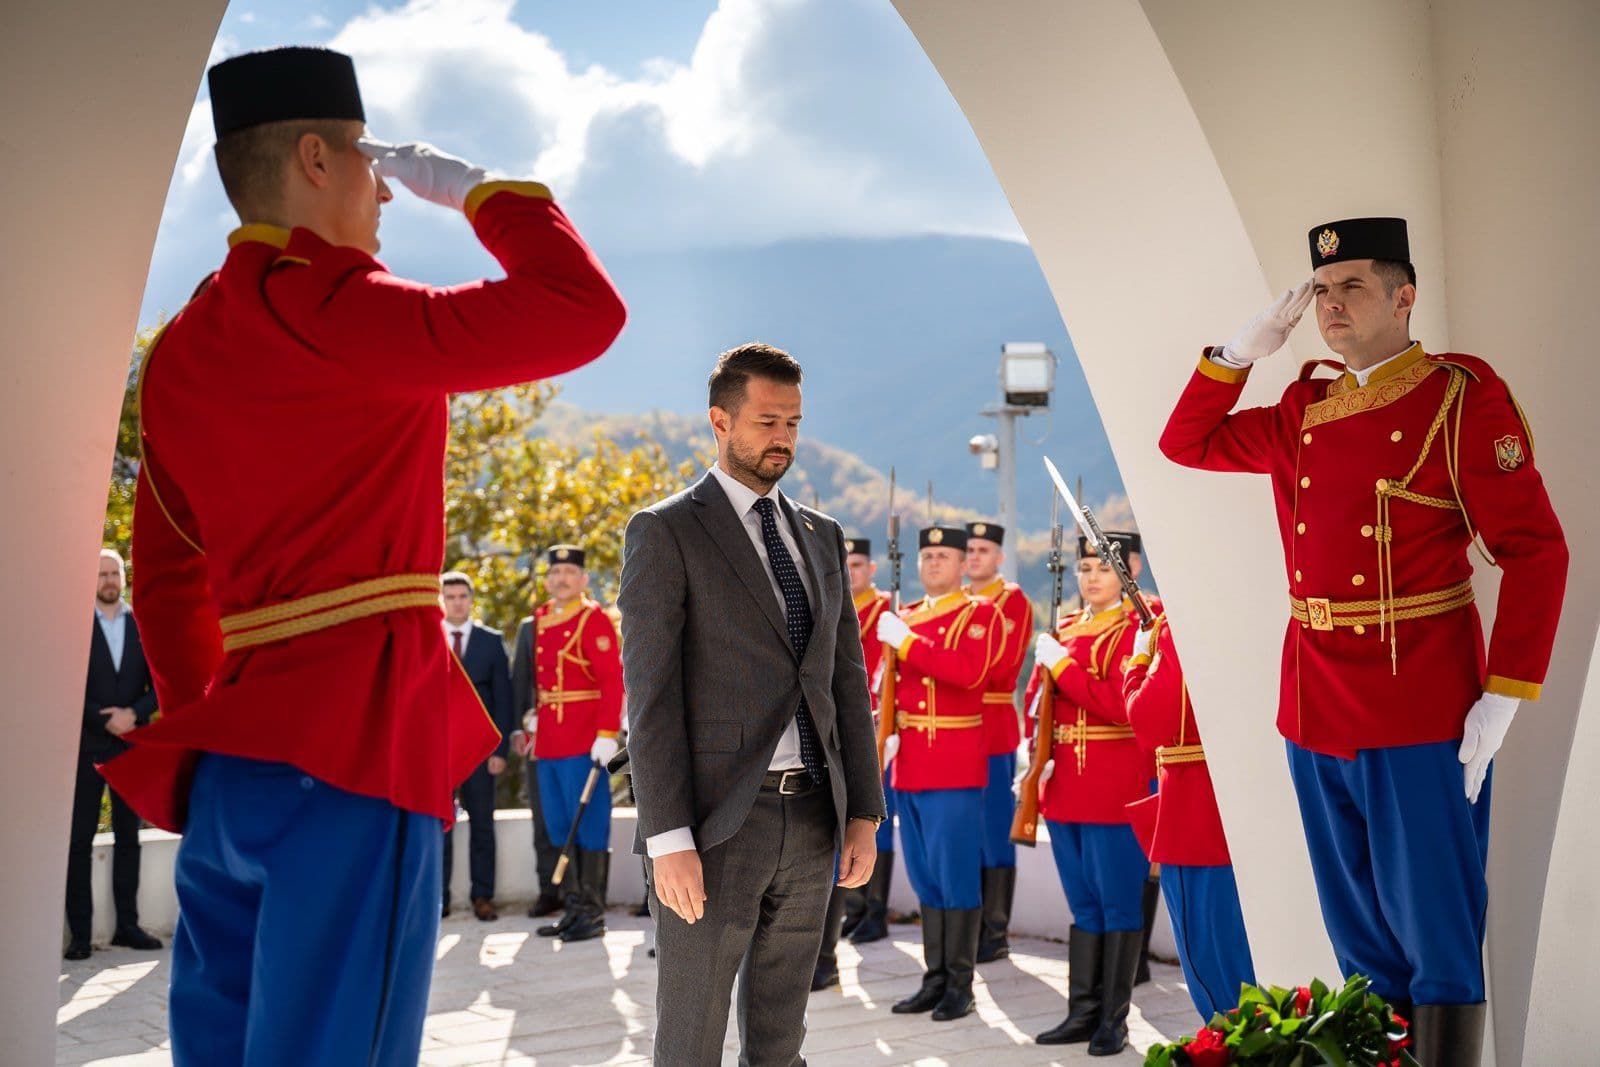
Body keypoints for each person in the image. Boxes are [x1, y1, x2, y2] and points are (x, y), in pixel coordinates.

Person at [101, 46, 624, 1065]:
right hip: (357, 747)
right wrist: (480, 191)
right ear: (314, 159)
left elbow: (164, 581)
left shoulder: (180, 348)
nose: (385, 189)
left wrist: (224, 731)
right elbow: (582, 309)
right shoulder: (347, 308)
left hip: (230, 768)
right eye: (368, 160)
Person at [1159, 216, 1567, 1063]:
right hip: (1313, 699)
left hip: (1417, 697)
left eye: (1351, 286)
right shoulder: (1304, 405)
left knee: (1437, 930)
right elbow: (1185, 443)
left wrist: (1505, 691)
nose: (1331, 305)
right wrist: (1237, 353)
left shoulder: (1458, 397)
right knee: (1358, 934)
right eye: (1320, 291)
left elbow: (1535, 550)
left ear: (1404, 296)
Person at [619, 342, 884, 1065]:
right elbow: (650, 699)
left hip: (814, 820)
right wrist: (667, 837)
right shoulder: (666, 530)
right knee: (691, 1040)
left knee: (781, 1041)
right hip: (713, 829)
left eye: (793, 423)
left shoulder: (822, 536)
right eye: (767, 421)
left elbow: (847, 682)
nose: (783, 438)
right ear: (720, 421)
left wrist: (863, 811)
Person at [1027, 533, 1154, 1056]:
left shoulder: (1141, 626)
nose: (1092, 577)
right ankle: (1081, 1011)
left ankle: (1113, 1020)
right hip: (1064, 788)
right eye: (1084, 568)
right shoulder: (1065, 627)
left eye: (1103, 567)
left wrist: (1062, 666)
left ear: (1129, 571)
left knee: (1118, 905)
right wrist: (1033, 758)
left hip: (1113, 787)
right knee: (1083, 906)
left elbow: (1121, 705)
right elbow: (1038, 703)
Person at [875, 525, 1001, 1023]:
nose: (933, 563)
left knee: (956, 877)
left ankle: (960, 985)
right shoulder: (905, 617)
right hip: (909, 765)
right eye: (927, 555)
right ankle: (935, 978)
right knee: (925, 878)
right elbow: (889, 686)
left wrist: (907, 643)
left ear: (962, 565)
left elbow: (968, 673)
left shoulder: (980, 614)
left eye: (944, 556)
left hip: (952, 764)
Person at [1122, 613, 1254, 1023]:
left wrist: (1138, 663)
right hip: (1240, 801)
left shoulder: (1180, 624)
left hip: (1195, 808)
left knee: (1213, 965)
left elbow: (1148, 719)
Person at [517, 545, 623, 943]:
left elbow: (611, 680)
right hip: (549, 739)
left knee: (589, 823)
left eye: (569, 572)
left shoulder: (592, 619)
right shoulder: (542, 618)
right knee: (560, 823)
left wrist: (607, 734)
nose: (561, 578)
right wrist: (533, 717)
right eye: (555, 572)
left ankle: (591, 913)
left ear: (583, 579)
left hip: (583, 738)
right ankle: (573, 907)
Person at [65, 549, 162, 960]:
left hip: (132, 745)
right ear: (92, 579)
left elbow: (159, 683)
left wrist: (134, 714)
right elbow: (67, 683)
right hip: (89, 745)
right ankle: (81, 936)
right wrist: (102, 719)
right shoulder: (75, 627)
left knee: (128, 838)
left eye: (113, 572)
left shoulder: (143, 625)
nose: (108, 580)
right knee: (79, 841)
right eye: (101, 573)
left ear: (123, 576)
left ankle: (128, 926)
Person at [813, 537, 894, 990]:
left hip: (852, 734)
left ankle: (832, 951)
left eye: (857, 564)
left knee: (841, 848)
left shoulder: (882, 609)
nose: (850, 572)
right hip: (812, 736)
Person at [963, 520, 1033, 962]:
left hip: (992, 727)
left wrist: (952, 668)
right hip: (955, 732)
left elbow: (999, 664)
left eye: (983, 550)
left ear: (999, 557)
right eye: (969, 550)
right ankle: (970, 926)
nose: (975, 556)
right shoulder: (959, 602)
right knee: (965, 831)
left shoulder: (1013, 600)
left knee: (994, 829)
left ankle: (995, 930)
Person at [440, 571, 514, 921]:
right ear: (442, 600)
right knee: (439, 826)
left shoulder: (490, 641)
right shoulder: (429, 638)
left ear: (471, 600)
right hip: (438, 753)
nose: (457, 602)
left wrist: (500, 751)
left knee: (482, 824)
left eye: (462, 596)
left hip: (482, 752)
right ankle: (438, 898)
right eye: (450, 596)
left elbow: (504, 700)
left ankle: (483, 896)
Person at [510, 607, 564, 918]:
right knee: (542, 818)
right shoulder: (529, 628)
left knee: (574, 817)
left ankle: (578, 894)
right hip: (538, 739)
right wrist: (518, 729)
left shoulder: (587, 621)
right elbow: (520, 681)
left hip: (578, 738)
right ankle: (549, 891)